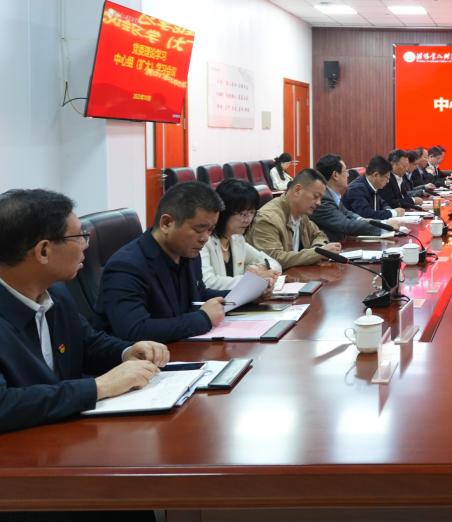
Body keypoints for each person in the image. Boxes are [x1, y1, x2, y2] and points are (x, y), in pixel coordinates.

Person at [0, 189, 169, 433]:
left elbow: (87, 343)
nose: (86, 246)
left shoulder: (56, 293)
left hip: (64, 435)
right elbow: (4, 405)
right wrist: (99, 387)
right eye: (80, 236)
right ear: (43, 251)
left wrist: (126, 352)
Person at [100, 182, 229, 343]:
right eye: (199, 229)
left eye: (210, 230)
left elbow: (198, 295)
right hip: (146, 357)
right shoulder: (126, 267)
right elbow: (135, 330)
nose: (205, 238)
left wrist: (244, 295)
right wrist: (203, 318)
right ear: (167, 223)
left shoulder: (188, 253)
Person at [249, 168, 342, 268]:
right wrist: (318, 253)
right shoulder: (268, 219)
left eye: (320, 198)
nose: (319, 203)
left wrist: (318, 249)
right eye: (315, 196)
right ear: (298, 190)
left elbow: (319, 235)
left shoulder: (301, 214)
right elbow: (273, 259)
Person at [200, 179, 281, 290]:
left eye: (252, 212)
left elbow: (275, 265)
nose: (248, 220)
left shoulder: (236, 239)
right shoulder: (204, 241)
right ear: (224, 212)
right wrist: (253, 278)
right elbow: (208, 283)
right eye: (243, 214)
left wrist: (258, 268)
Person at [313, 154, 403, 241]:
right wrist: (385, 225)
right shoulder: (322, 199)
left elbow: (348, 213)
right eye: (345, 171)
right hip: (332, 246)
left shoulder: (333, 195)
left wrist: (367, 221)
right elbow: (346, 224)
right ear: (335, 175)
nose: (348, 175)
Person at [344, 155, 407, 220]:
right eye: (387, 178)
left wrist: (388, 209)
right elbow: (365, 214)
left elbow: (382, 202)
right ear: (376, 175)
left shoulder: (372, 185)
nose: (388, 181)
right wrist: (392, 213)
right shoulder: (357, 189)